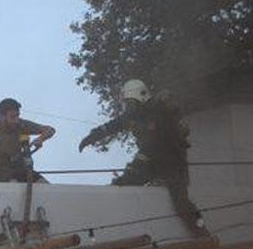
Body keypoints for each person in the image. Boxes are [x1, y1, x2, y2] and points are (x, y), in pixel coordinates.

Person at [77, 79, 208, 236]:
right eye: (128, 103)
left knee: (181, 202)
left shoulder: (158, 113)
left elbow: (156, 144)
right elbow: (113, 125)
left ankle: (202, 234)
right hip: (152, 161)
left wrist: (139, 163)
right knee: (123, 183)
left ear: (140, 98)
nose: (129, 107)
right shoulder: (133, 115)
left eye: (131, 103)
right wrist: (92, 136)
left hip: (172, 162)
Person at [0, 98, 56, 187]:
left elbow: (50, 130)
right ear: (2, 117)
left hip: (19, 169)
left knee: (46, 186)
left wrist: (40, 139)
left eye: (17, 115)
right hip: (0, 173)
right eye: (12, 117)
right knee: (15, 187)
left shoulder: (21, 124)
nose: (16, 120)